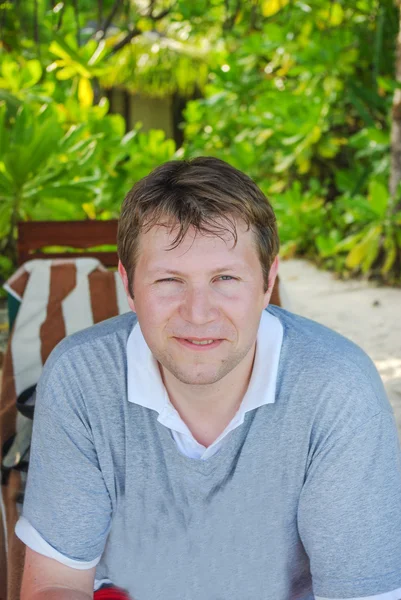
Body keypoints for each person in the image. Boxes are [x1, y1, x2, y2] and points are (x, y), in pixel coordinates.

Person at [17, 157, 401, 600]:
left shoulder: (338, 389)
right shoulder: (82, 377)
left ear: (268, 280)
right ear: (128, 284)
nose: (198, 314)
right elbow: (56, 583)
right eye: (168, 280)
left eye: (225, 278)